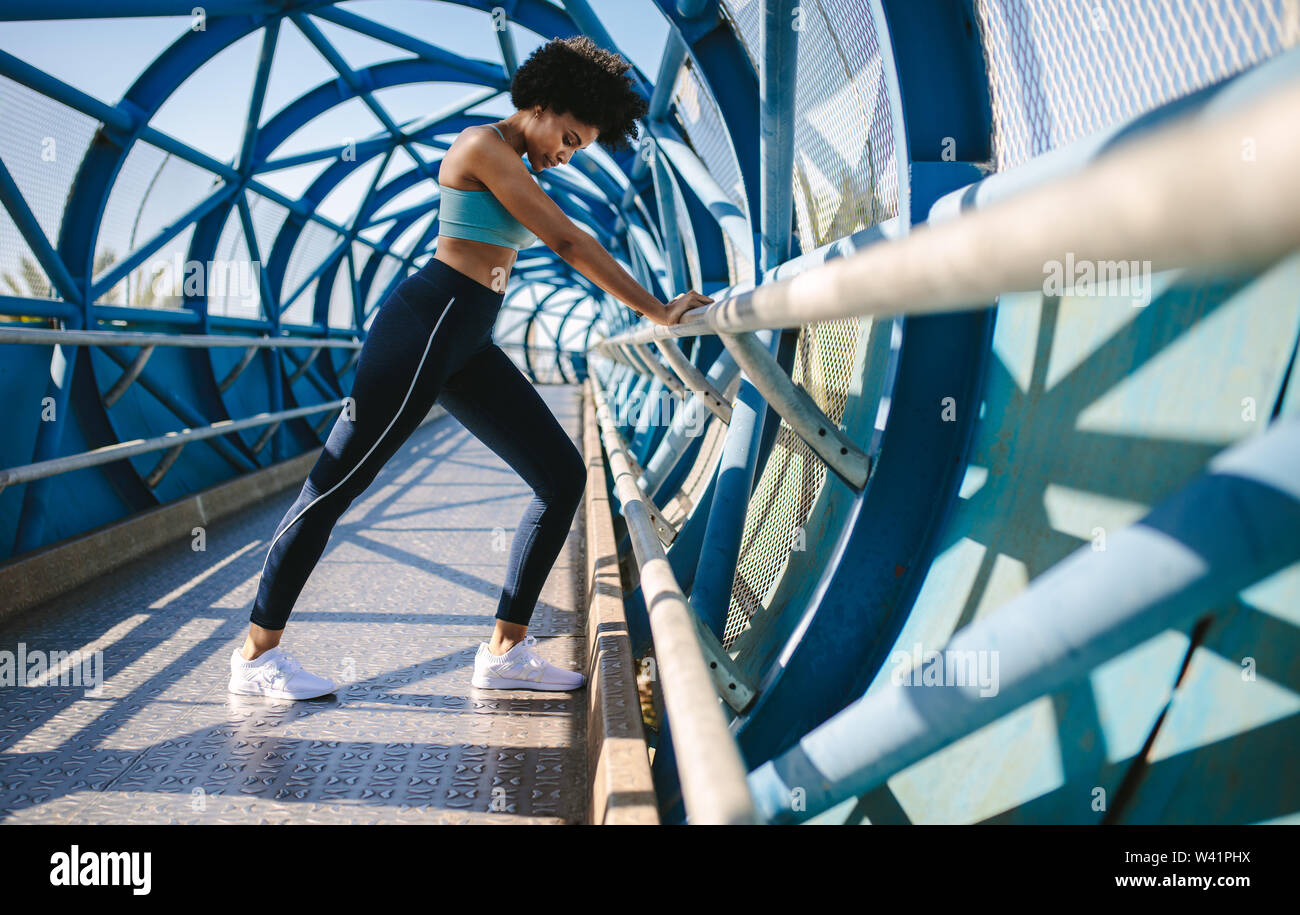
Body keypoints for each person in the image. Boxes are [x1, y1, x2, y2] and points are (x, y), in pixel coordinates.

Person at [229, 35, 713, 700]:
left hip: (467, 340)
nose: (565, 156)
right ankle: (256, 656)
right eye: (568, 137)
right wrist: (657, 310)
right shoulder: (482, 145)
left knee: (560, 475)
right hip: (423, 328)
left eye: (578, 150)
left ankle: (506, 651)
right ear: (541, 104)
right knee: (337, 486)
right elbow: (567, 241)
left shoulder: (516, 159)